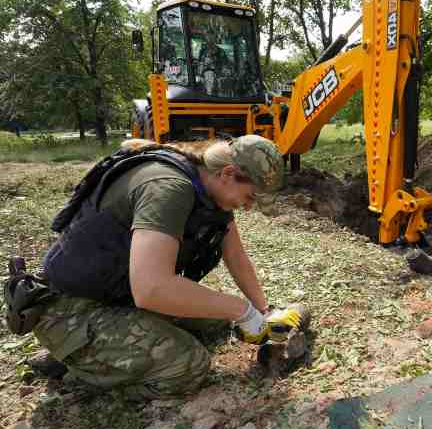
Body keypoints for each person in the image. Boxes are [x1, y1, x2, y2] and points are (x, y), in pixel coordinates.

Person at [30, 135, 303, 399]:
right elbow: (151, 289)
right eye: (251, 197)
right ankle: (80, 367)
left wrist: (263, 312)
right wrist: (242, 310)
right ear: (228, 173)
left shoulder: (210, 188)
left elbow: (236, 257)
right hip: (70, 310)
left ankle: (100, 353)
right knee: (189, 367)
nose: (248, 207)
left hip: (117, 296)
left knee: (217, 321)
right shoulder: (167, 188)